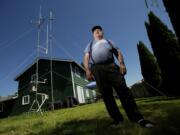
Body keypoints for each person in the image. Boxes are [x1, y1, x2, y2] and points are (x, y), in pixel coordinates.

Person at [83, 25, 154, 128]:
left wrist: (122, 64)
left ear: (102, 33)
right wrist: (87, 70)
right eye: (95, 31)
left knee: (124, 91)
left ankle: (138, 118)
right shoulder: (89, 45)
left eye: (99, 30)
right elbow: (86, 57)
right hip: (97, 69)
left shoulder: (109, 41)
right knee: (107, 96)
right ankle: (117, 120)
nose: (97, 32)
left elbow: (118, 52)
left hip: (111, 66)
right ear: (93, 34)